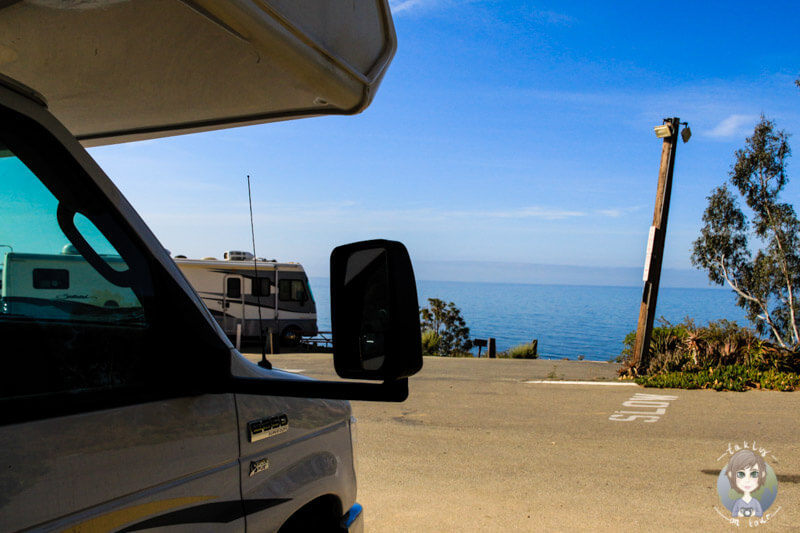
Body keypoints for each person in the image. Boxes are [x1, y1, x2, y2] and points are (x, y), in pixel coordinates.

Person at [725, 449, 767, 517]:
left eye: (754, 474)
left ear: (762, 474)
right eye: (741, 474)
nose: (747, 480)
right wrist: (740, 514)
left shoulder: (755, 502)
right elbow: (734, 514)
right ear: (731, 475)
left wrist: (753, 513)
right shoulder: (738, 502)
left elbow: (760, 513)